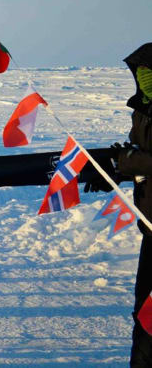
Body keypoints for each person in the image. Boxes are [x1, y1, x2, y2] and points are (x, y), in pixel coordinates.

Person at [84, 43, 152, 366]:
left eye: (148, 72)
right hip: (149, 231)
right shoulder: (141, 112)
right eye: (140, 73)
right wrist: (113, 172)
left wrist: (131, 162)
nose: (143, 78)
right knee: (143, 317)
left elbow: (141, 160)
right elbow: (135, 159)